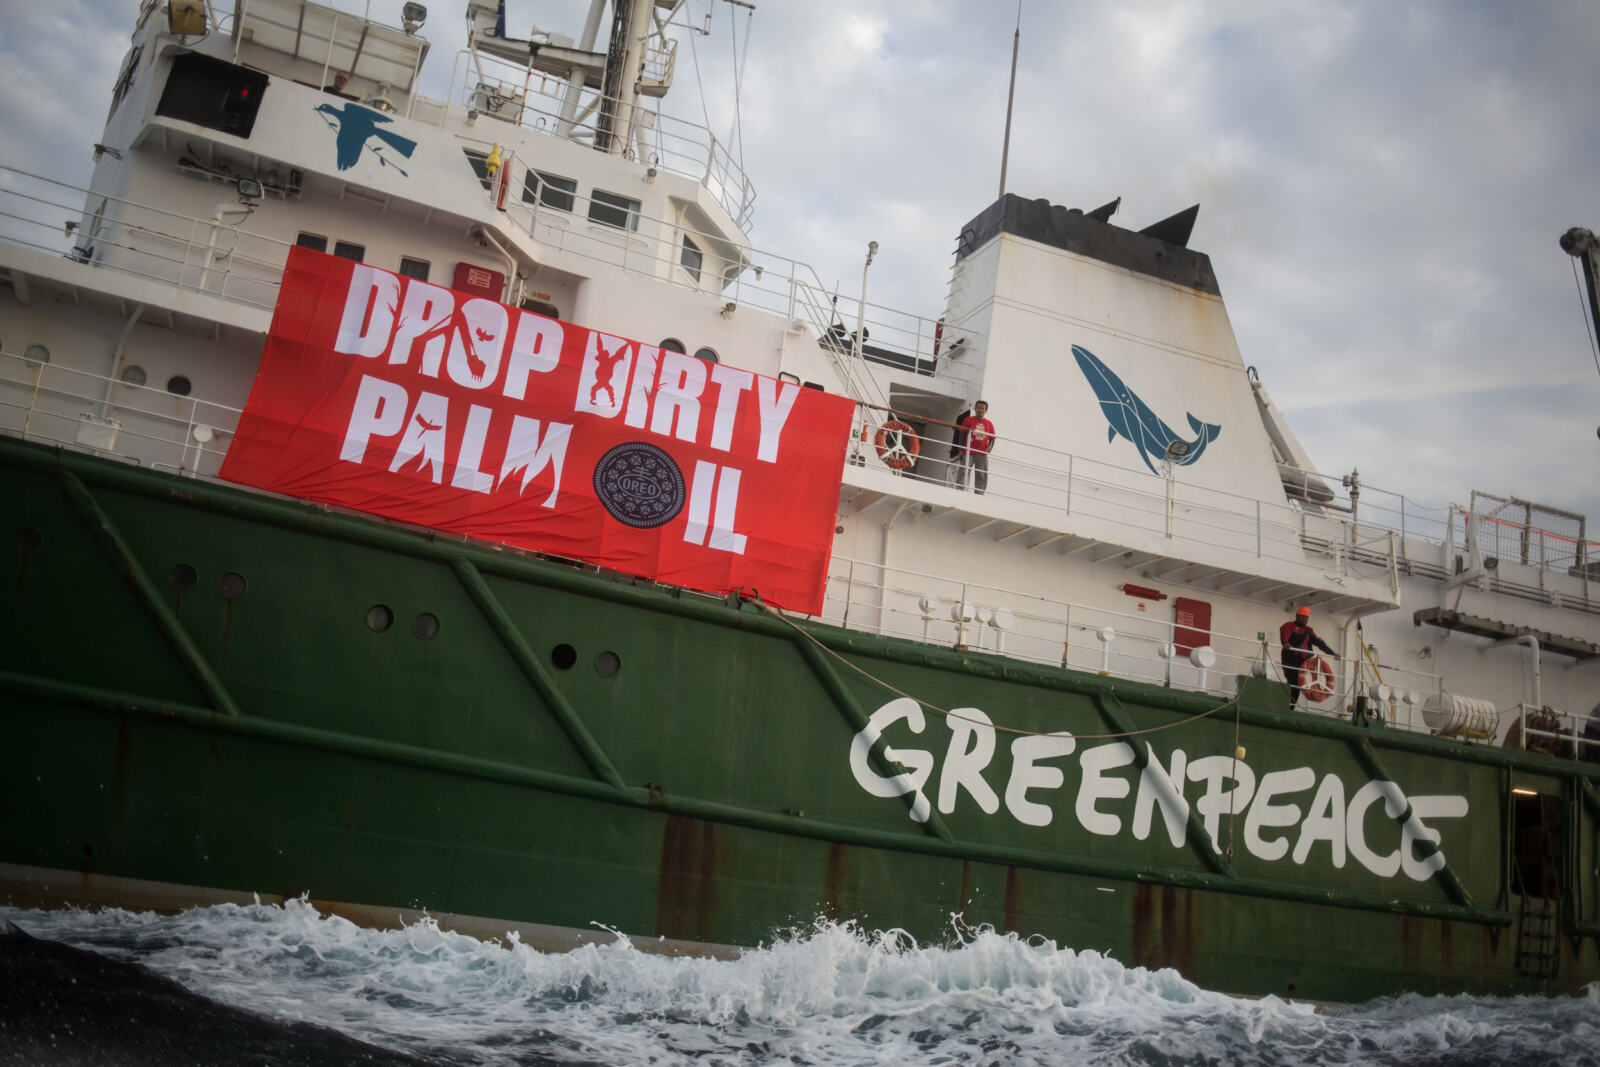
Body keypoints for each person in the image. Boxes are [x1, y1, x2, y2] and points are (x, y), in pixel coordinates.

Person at [1280, 606, 1334, 709]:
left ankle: (1291, 707)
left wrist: (1332, 653)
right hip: (1290, 661)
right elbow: (1285, 636)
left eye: (1306, 617)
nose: (1304, 619)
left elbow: (1320, 644)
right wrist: (1285, 643)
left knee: (1297, 684)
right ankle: (1289, 706)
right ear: (1297, 616)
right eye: (1302, 617)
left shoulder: (1308, 631)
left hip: (1303, 662)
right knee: (1293, 683)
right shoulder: (1289, 626)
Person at [957, 401, 995, 494]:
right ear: (975, 409)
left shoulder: (989, 424)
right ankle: (959, 491)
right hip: (968, 451)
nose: (980, 410)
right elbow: (962, 434)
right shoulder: (968, 420)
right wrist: (960, 449)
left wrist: (989, 449)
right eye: (978, 408)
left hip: (981, 453)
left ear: (986, 411)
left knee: (981, 474)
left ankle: (979, 494)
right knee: (963, 472)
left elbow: (992, 438)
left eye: (982, 408)